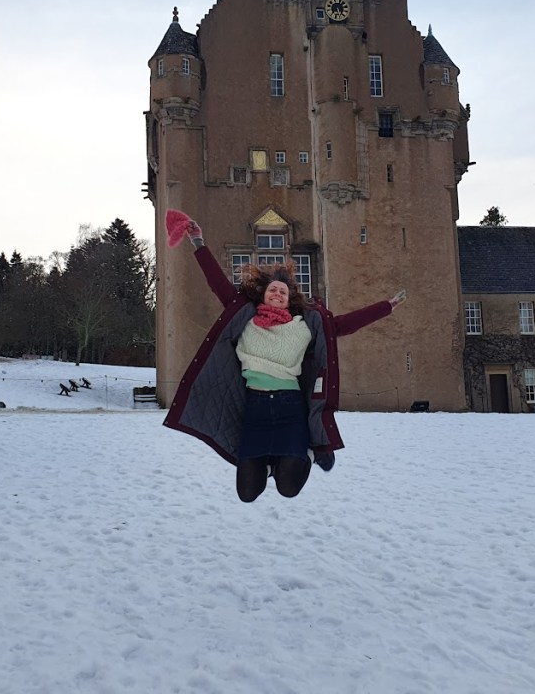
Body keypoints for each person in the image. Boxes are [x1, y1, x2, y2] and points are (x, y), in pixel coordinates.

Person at [163, 211, 406, 502]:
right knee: (248, 493)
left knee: (288, 488)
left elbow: (344, 325)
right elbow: (217, 283)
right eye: (272, 290)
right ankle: (266, 465)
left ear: (290, 298)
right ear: (263, 296)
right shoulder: (247, 317)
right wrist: (198, 242)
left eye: (283, 291)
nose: (277, 293)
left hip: (290, 408)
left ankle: (307, 450)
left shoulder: (304, 324)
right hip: (254, 408)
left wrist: (385, 307)